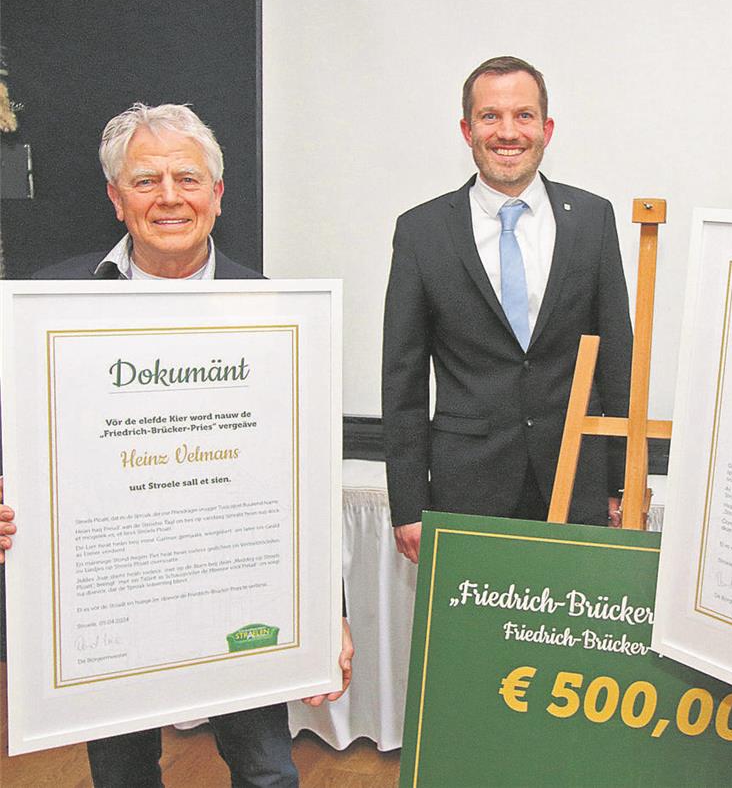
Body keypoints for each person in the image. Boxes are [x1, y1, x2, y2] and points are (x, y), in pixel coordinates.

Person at [2, 103, 354, 788]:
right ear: (114, 197)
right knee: (122, 774)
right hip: (109, 604)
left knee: (267, 771)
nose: (169, 198)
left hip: (235, 595)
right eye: (146, 180)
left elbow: (302, 477)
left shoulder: (279, 311)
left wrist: (326, 613)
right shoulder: (50, 303)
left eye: (188, 179)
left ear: (218, 195)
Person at [382, 57, 633, 563]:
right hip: (465, 490)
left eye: (524, 115)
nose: (508, 132)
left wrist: (620, 482)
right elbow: (403, 378)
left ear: (547, 128)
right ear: (466, 129)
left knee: (569, 636)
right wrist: (408, 504)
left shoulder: (592, 219)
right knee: (471, 643)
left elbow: (617, 360)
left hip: (575, 485)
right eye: (490, 116)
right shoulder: (422, 231)